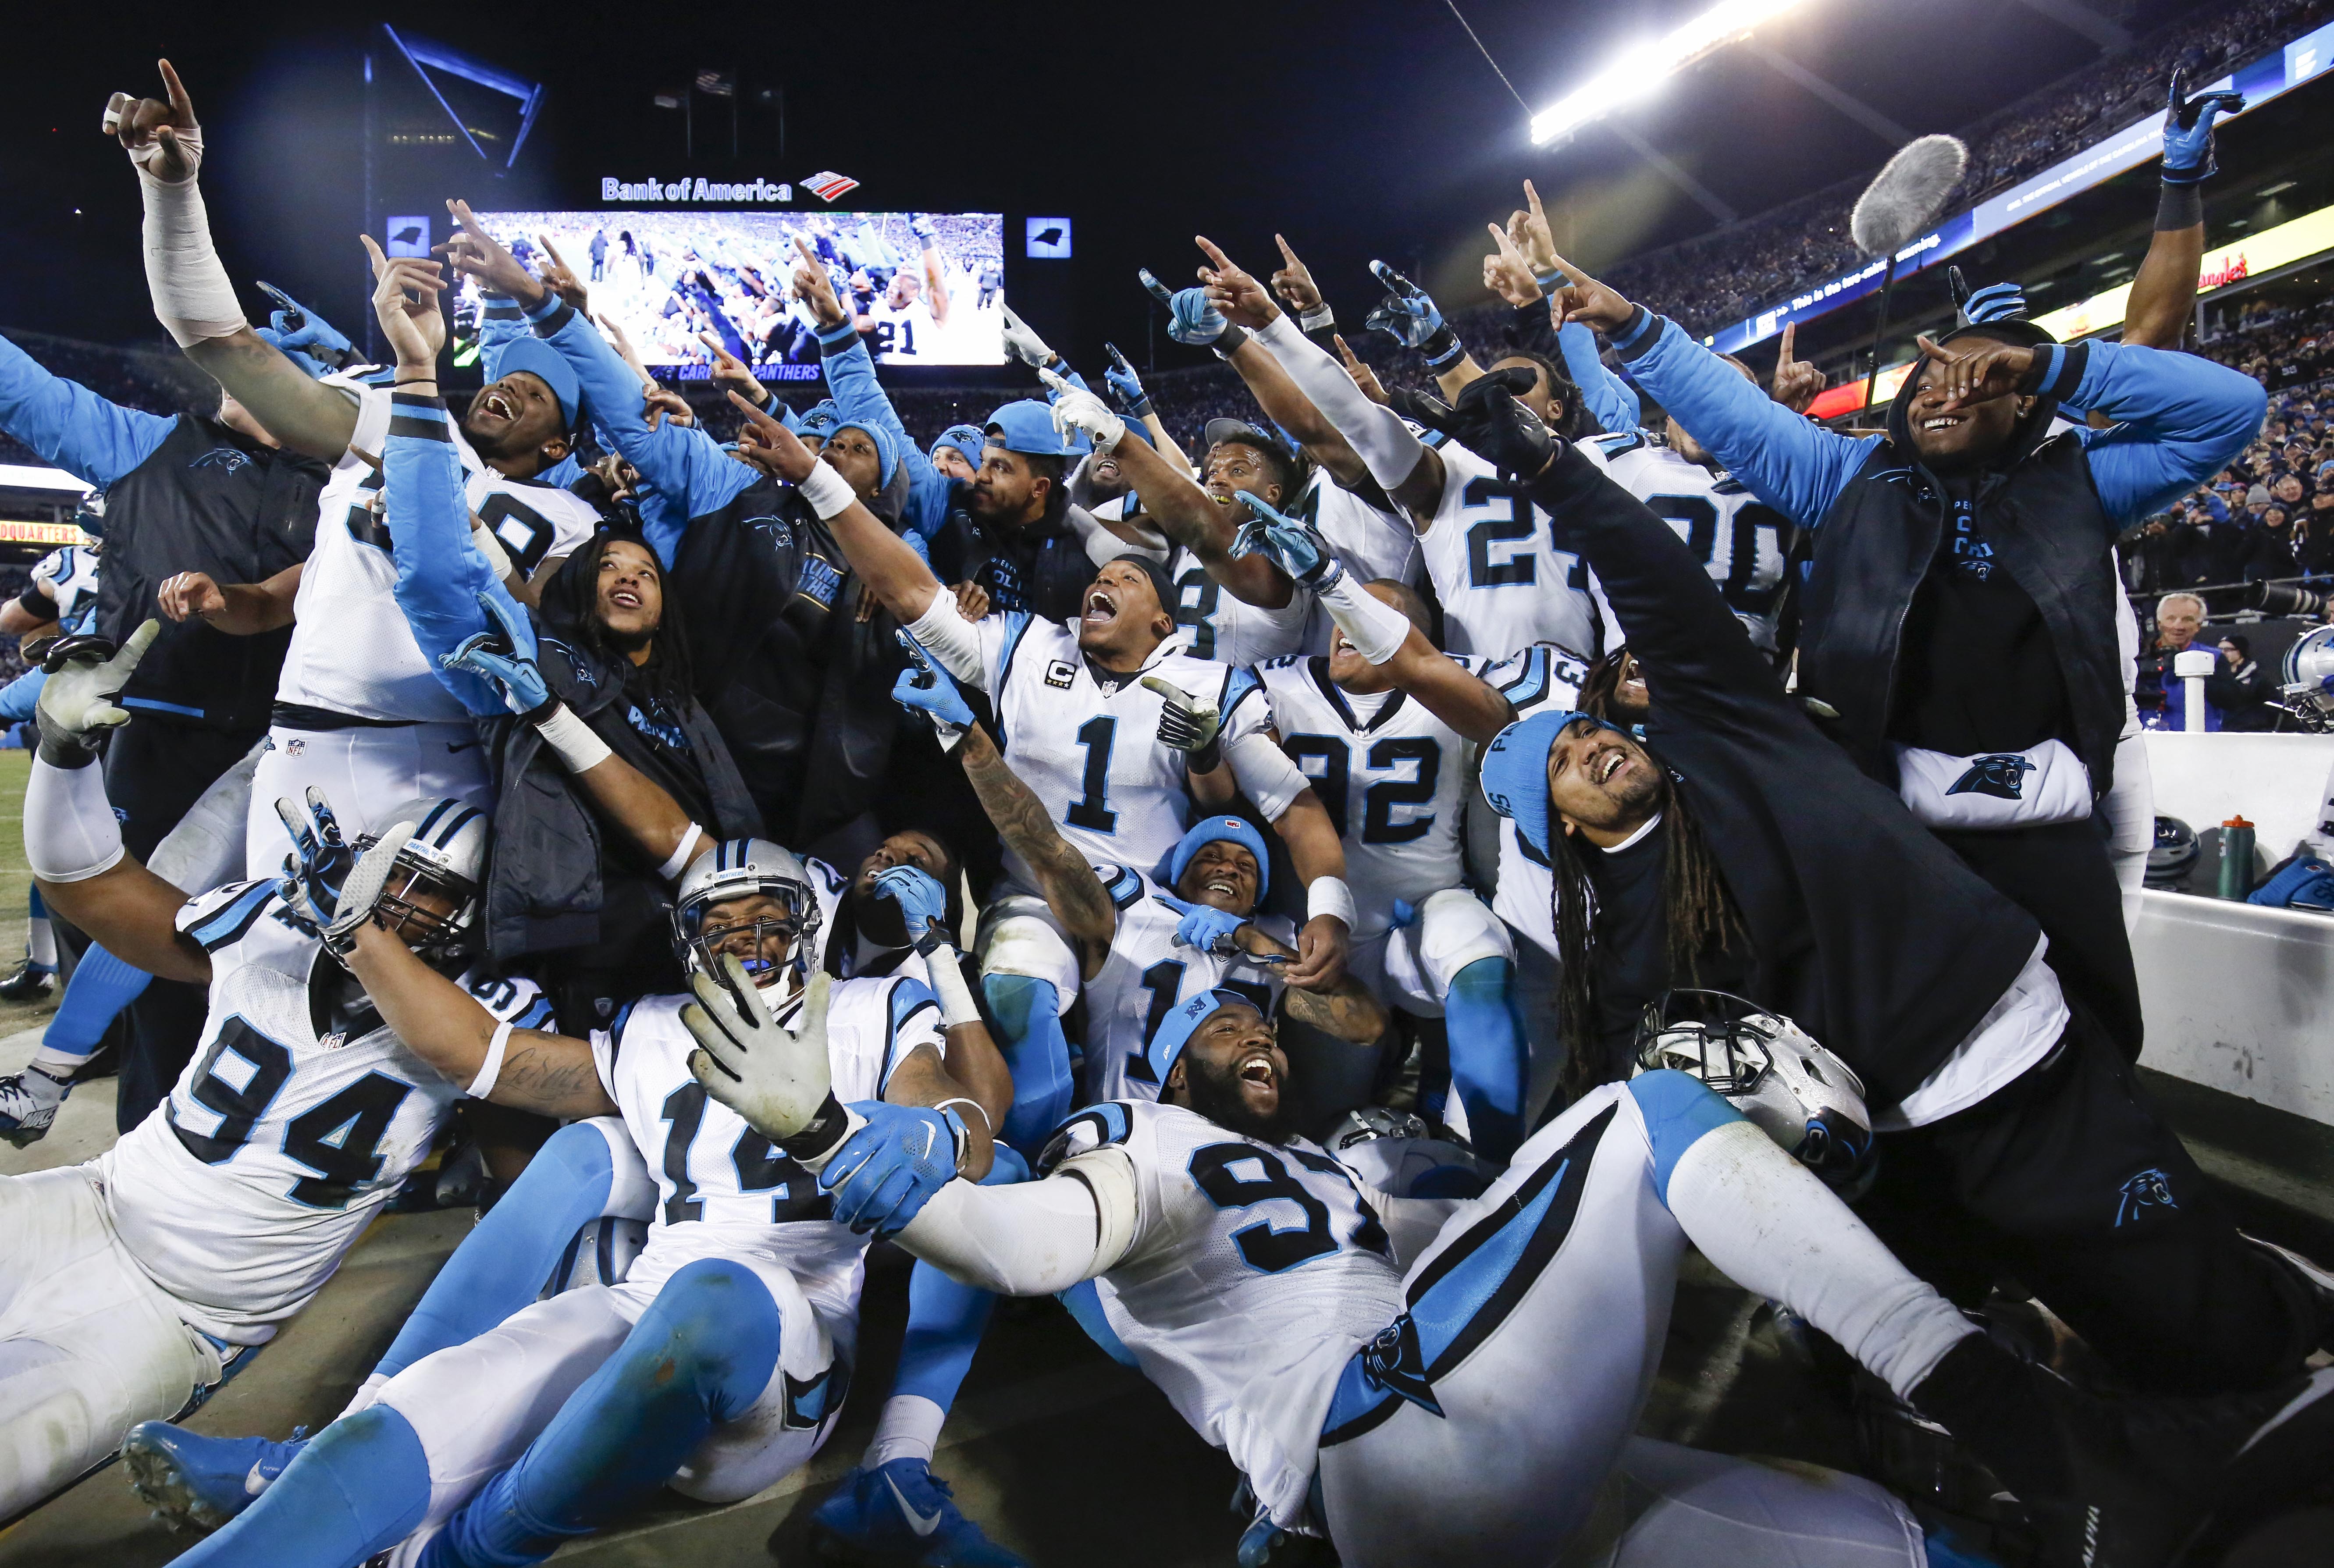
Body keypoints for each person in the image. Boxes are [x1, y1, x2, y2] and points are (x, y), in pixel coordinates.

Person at [691, 962, 2334, 1568]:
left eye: (1262, 1018)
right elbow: (1029, 1240)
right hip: (1383, 1452)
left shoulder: (1334, 1166)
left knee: (1882, 1544)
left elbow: (1495, 1257)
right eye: (1223, 1023)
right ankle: (2047, 1434)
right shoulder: (1147, 1146)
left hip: (1469, 1464)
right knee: (1642, 1104)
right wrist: (847, 1141)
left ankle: (2107, 1503)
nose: (1255, 1033)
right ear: (1166, 1057)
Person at [1371, 371, 2328, 1400]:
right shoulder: (1615, 944)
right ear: (1554, 823)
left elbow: (1651, 577)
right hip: (1896, 1138)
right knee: (1929, 1352)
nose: (1599, 744)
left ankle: (2287, 1323)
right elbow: (1629, 1100)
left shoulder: (1726, 738)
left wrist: (1549, 465)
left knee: (2205, 1330)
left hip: (2012, 1059)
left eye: (1595, 728)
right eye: (1565, 759)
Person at [144, 838, 1009, 1568]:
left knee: (716, 1294)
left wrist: (936, 1132)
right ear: (686, 937)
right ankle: (316, 1485)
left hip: (789, 1359)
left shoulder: (869, 1007)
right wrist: (363, 939)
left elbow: (949, 1104)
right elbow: (485, 1055)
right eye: (717, 920)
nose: (743, 939)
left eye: (766, 915)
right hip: (643, 1316)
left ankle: (472, 1550)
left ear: (810, 922)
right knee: (411, 1418)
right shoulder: (656, 1029)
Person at [1531, 226, 2263, 1069]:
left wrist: (2048, 363)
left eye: (1982, 375)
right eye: (1928, 375)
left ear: (2027, 404)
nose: (1943, 389)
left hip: (2051, 833)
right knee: (1913, 1062)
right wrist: (1629, 324)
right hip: (1898, 836)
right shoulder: (1846, 478)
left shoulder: (2087, 481)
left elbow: (2232, 408)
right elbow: (1732, 413)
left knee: (2095, 1046)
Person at [2, 624, 543, 1518]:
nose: (405, 910)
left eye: (435, 899)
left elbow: (523, 1193)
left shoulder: (486, 1021)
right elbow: (90, 887)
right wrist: (64, 756)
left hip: (182, 1317)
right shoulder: (275, 926)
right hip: (87, 1205)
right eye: (394, 879)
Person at [110, 69, 601, 882]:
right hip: (301, 742)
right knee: (219, 968)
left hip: (450, 766)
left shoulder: (573, 520)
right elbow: (222, 344)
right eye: (509, 375)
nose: (511, 386)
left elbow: (555, 626)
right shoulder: (400, 420)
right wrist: (173, 194)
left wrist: (461, 527)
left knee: (397, 997)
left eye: (541, 390)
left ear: (561, 445)